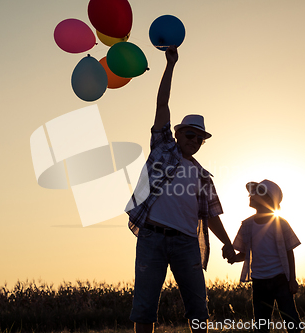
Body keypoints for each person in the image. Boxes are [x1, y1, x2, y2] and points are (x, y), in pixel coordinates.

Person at [125, 45, 237, 333]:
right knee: (145, 305)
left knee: (198, 307)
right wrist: (170, 65)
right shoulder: (163, 149)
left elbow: (211, 216)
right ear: (177, 134)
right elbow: (162, 105)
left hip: (187, 244)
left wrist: (226, 242)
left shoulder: (203, 176)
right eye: (190, 135)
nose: (195, 141)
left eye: (200, 139)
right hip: (153, 238)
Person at [231, 179, 302, 333]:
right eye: (252, 192)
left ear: (269, 200)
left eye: (258, 192)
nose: (252, 195)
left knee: (291, 320)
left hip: (281, 279)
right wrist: (232, 257)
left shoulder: (281, 223)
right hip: (259, 281)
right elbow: (243, 253)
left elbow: (290, 251)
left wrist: (292, 279)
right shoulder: (247, 225)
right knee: (261, 324)